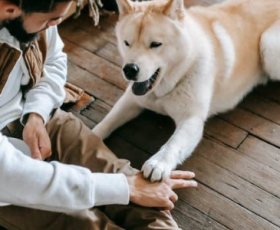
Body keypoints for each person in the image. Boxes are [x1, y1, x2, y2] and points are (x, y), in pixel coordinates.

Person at [0, 0, 198, 229]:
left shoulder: (37, 11)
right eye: (50, 20)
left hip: (35, 115)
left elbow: (53, 60)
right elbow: (9, 175)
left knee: (136, 187)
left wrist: (37, 113)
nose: (55, 24)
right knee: (85, 223)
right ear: (9, 9)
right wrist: (123, 188)